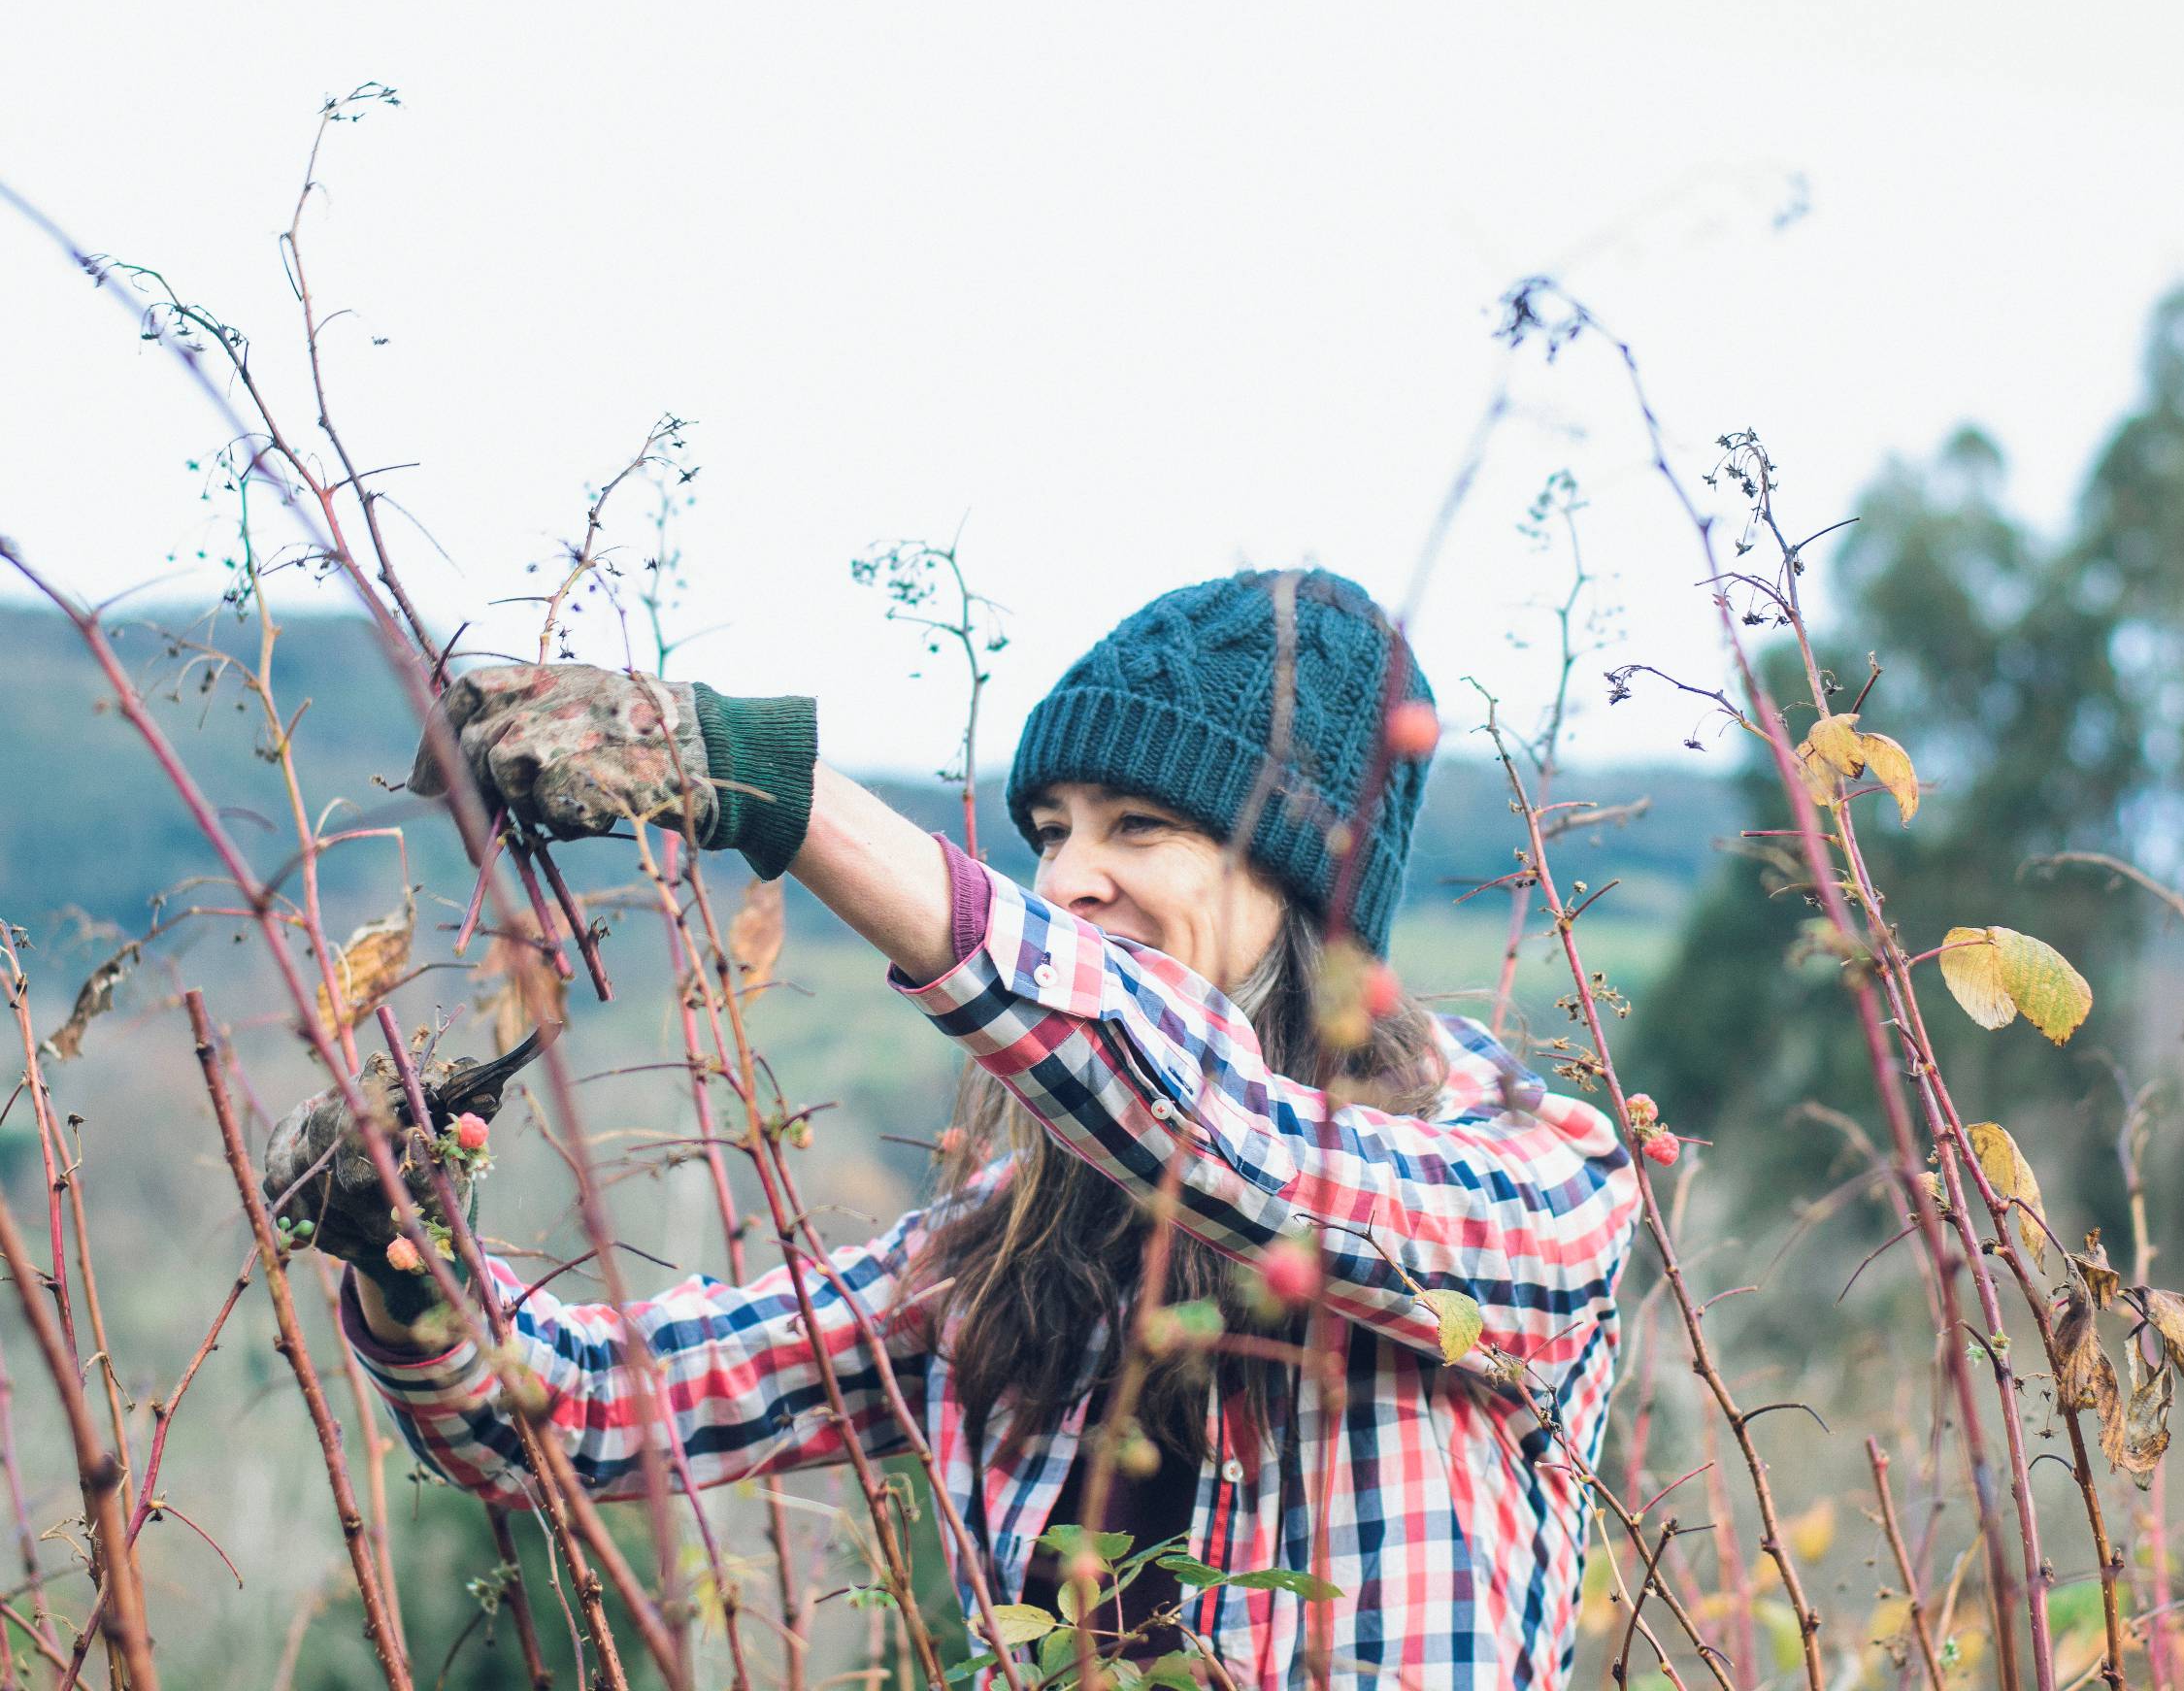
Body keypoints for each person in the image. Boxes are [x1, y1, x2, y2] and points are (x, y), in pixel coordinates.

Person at [273, 568, 1640, 1690]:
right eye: (1048, 830)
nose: (1067, 880)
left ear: (1303, 879)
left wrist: (770, 787)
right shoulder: (1008, 1252)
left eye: (1139, 826)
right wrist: (411, 1260)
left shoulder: (1536, 1177)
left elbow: (1239, 1145)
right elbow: (580, 1414)